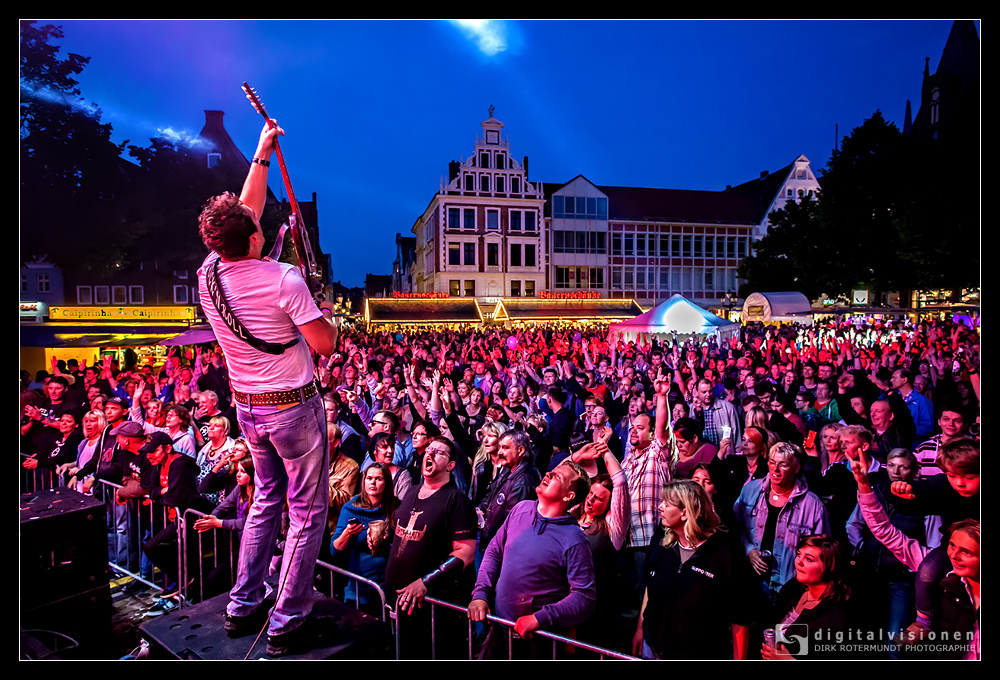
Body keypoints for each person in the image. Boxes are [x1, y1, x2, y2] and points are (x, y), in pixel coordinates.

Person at [196, 121, 338, 657]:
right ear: (253, 238)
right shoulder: (283, 278)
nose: (261, 222)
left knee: (264, 502)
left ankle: (243, 602)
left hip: (248, 409)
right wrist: (324, 309)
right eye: (255, 224)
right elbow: (324, 344)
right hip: (293, 411)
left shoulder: (211, 272)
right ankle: (288, 616)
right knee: (305, 511)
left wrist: (261, 151)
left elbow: (244, 213)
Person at [468, 461, 596, 659]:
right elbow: (494, 551)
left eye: (557, 476)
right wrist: (480, 593)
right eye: (551, 471)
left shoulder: (574, 539)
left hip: (536, 641)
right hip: (499, 629)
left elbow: (584, 597)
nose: (548, 474)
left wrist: (540, 618)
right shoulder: (521, 509)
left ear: (568, 496)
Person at [632, 480, 753, 660]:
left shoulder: (725, 553)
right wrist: (641, 627)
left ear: (685, 512)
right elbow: (651, 588)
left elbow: (739, 619)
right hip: (653, 650)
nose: (660, 507)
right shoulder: (662, 543)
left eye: (666, 503)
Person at [384, 437, 476, 659]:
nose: (430, 454)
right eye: (429, 450)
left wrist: (425, 582)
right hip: (397, 602)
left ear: (451, 465)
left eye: (439, 452)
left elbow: (465, 553)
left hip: (430, 608)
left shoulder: (456, 500)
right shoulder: (411, 491)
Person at [734, 442, 830, 604]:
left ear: (796, 468)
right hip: (750, 580)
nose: (775, 469)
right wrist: (749, 549)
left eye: (783, 465)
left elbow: (821, 551)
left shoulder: (812, 505)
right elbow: (736, 527)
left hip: (788, 586)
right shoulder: (750, 490)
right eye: (772, 462)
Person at [761, 535, 853, 660]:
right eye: (799, 554)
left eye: (809, 559)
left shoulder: (837, 617)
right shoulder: (793, 587)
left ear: (830, 567)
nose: (798, 561)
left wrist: (789, 660)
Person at [331, 463, 395, 615]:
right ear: (363, 481)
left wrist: (389, 537)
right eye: (369, 478)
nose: (373, 482)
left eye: (378, 479)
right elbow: (335, 550)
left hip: (389, 587)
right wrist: (348, 532)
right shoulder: (351, 508)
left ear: (386, 483)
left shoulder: (395, 507)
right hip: (360, 588)